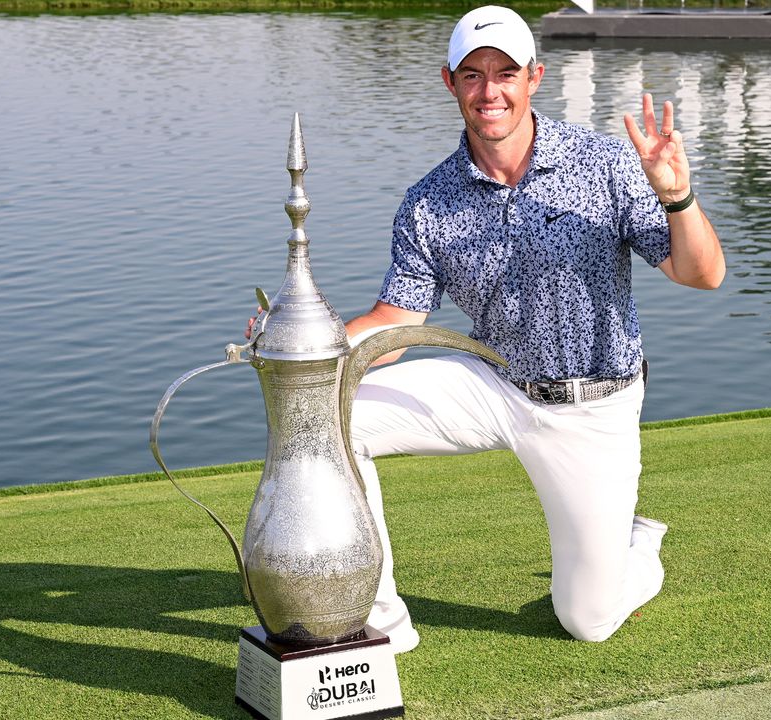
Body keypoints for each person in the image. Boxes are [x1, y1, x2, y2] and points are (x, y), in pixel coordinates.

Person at [271, 5, 724, 653]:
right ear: (449, 83)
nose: (491, 91)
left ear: (534, 77)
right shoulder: (429, 202)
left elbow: (701, 273)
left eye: (506, 73)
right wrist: (300, 346)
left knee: (586, 621)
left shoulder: (603, 163)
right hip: (492, 382)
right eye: (474, 75)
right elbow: (395, 325)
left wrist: (677, 196)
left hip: (592, 407)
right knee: (330, 413)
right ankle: (377, 621)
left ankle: (636, 543)